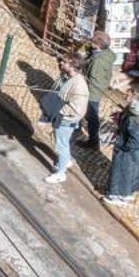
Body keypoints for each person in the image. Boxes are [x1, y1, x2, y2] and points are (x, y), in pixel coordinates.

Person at [105, 85, 139, 206]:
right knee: (130, 173)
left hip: (129, 150)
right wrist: (120, 117)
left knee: (123, 172)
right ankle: (126, 194)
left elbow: (136, 139)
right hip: (136, 150)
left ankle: (117, 196)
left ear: (133, 95)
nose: (124, 95)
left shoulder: (134, 116)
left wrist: (123, 147)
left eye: (127, 94)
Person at [47, 55, 89, 185]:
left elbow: (77, 108)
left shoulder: (78, 85)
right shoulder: (72, 79)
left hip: (66, 119)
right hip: (65, 118)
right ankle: (64, 163)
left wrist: (60, 112)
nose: (61, 63)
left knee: (61, 146)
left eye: (64, 62)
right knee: (63, 143)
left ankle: (60, 173)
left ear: (71, 65)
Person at [80, 33, 118, 147]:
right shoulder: (107, 53)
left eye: (92, 41)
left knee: (92, 117)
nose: (90, 42)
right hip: (98, 88)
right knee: (90, 114)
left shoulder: (98, 62)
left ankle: (93, 141)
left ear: (98, 46)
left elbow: (93, 81)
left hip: (92, 93)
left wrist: (83, 90)